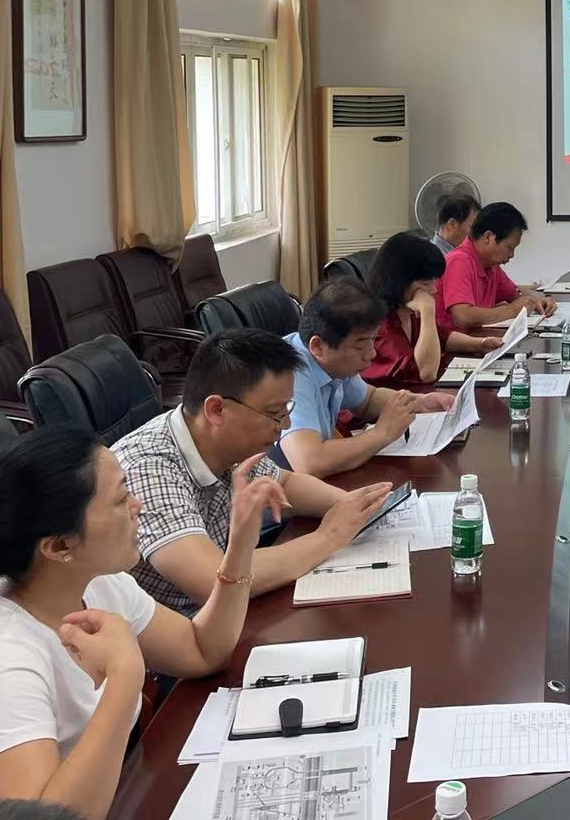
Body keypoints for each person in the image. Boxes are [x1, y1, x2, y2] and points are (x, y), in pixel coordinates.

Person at [0, 427, 280, 816]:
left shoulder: (98, 583)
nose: (138, 506)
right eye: (120, 499)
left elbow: (203, 651)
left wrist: (239, 548)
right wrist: (124, 679)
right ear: (59, 546)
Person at [112, 329, 396, 614]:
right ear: (217, 410)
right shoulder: (148, 468)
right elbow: (214, 580)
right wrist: (328, 537)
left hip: (223, 616)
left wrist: (355, 505)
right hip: (176, 627)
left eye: (287, 409)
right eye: (274, 413)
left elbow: (285, 484)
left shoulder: (223, 438)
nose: (285, 425)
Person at [279, 278, 455, 478]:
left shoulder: (333, 362)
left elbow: (368, 400)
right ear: (318, 346)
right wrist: (382, 433)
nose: (371, 353)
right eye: (360, 346)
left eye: (373, 340)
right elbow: (310, 462)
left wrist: (419, 403)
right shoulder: (289, 374)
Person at [363, 231, 500, 384]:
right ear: (399, 281)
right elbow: (426, 372)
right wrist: (427, 311)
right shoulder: (379, 326)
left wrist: (480, 344)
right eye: (426, 284)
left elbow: (442, 338)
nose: (434, 290)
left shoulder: (407, 310)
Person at [436, 200, 555, 331]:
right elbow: (463, 316)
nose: (512, 255)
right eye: (510, 247)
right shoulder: (458, 261)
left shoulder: (491, 265)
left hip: (478, 338)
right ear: (488, 237)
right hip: (453, 343)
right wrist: (511, 310)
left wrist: (540, 301)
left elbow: (515, 294)